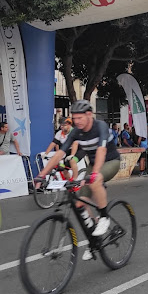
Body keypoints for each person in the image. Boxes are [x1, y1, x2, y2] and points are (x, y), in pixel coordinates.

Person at [36, 101, 121, 259]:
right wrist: (42, 174)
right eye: (74, 118)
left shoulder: (100, 126)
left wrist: (95, 173)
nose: (77, 121)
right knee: (79, 203)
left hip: (110, 162)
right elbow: (60, 153)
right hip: (93, 165)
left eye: (80, 118)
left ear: (89, 115)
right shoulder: (76, 132)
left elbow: (101, 150)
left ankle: (104, 217)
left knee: (95, 180)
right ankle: (94, 240)